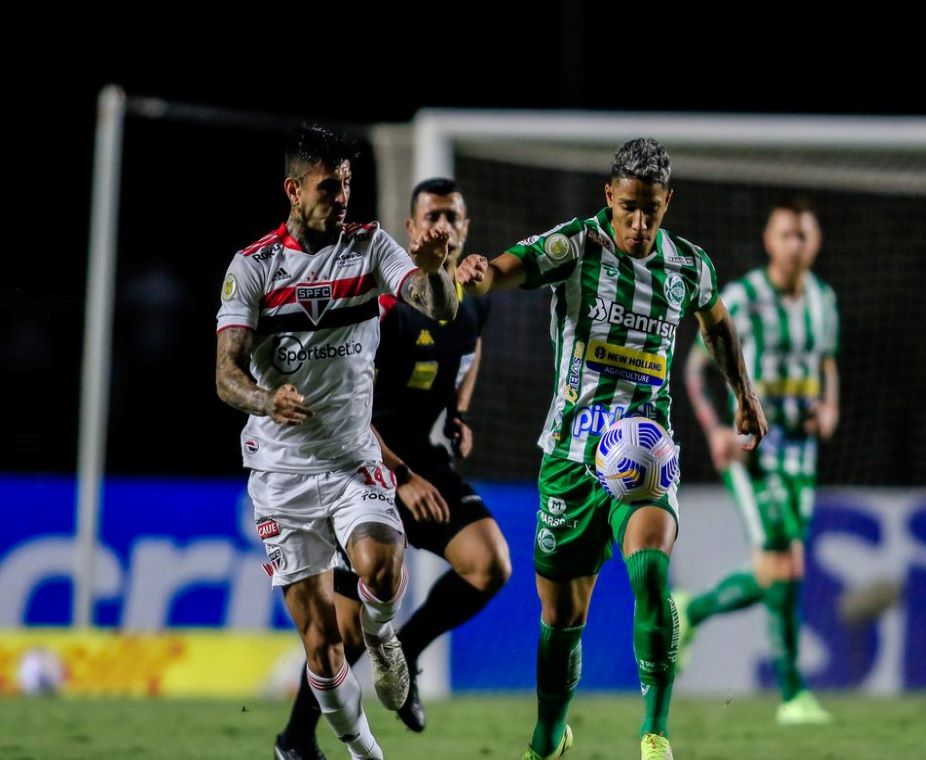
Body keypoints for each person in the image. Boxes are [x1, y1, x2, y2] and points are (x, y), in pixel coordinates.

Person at [462, 138, 767, 760]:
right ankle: (549, 735)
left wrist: (744, 392)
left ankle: (655, 733)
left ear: (667, 202)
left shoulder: (689, 266)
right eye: (629, 207)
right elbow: (504, 270)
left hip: (645, 456)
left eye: (651, 209)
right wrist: (476, 274)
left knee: (651, 570)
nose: (639, 222)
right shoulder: (576, 245)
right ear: (610, 196)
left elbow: (716, 322)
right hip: (571, 458)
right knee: (561, 616)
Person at [216, 124, 472, 760]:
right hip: (281, 475)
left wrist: (436, 271)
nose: (342, 198)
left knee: (382, 566)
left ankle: (384, 639)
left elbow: (436, 305)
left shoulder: (369, 246)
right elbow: (226, 375)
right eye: (329, 187)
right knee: (321, 646)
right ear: (293, 190)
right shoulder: (253, 267)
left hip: (354, 459)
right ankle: (362, 753)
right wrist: (265, 400)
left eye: (348, 185)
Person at [274, 178, 510, 759]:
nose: (443, 227)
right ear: (412, 231)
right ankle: (295, 739)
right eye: (432, 217)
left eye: (452, 217)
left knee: (490, 564)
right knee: (348, 630)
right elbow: (344, 409)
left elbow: (472, 346)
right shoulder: (385, 307)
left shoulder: (473, 297)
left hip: (421, 460)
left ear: (465, 229)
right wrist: (401, 477)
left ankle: (405, 653)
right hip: (362, 463)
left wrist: (459, 410)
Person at [675, 200, 839, 726]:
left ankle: (689, 611)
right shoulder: (744, 297)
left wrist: (830, 408)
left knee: (781, 568)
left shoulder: (823, 300)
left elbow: (827, 364)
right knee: (783, 562)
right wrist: (714, 429)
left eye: (804, 235)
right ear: (770, 241)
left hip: (802, 453)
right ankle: (793, 695)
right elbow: (694, 368)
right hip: (753, 452)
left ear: (815, 242)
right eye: (787, 234)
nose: (796, 244)